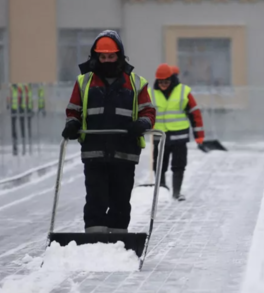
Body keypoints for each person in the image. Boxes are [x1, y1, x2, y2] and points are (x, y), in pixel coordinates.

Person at [62, 30, 155, 233]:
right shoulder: (84, 82)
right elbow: (73, 110)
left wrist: (142, 124)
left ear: (119, 56)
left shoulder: (136, 83)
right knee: (95, 196)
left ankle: (118, 239)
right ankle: (94, 237)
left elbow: (148, 111)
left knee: (121, 197)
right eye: (102, 57)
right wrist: (72, 124)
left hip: (125, 150)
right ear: (95, 57)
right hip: (94, 150)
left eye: (111, 56)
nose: (106, 61)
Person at [151, 63, 205, 201]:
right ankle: (161, 189)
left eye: (166, 81)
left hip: (179, 137)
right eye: (161, 82)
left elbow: (195, 114)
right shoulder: (151, 94)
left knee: (179, 165)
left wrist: (199, 136)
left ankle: (176, 192)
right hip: (160, 137)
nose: (163, 84)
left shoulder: (183, 92)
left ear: (172, 80)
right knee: (159, 165)